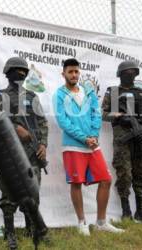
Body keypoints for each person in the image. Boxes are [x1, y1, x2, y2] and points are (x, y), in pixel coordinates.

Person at [52, 58, 124, 236]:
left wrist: (93, 135)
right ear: (64, 74)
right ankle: (82, 222)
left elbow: (96, 113)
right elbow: (63, 121)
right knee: (76, 184)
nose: (74, 75)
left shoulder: (88, 91)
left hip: (92, 145)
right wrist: (84, 138)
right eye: (70, 71)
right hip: (73, 146)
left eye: (76, 71)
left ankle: (101, 222)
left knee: (106, 180)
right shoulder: (59, 95)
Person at [0, 57, 48, 249]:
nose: (20, 74)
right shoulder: (0, 97)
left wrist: (43, 145)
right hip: (9, 154)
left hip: (32, 153)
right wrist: (14, 128)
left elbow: (42, 122)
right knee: (8, 196)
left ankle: (32, 230)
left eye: (23, 71)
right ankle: (10, 234)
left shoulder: (32, 97)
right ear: (7, 73)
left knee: (32, 194)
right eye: (16, 70)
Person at [102, 60, 142, 223]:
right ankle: (126, 210)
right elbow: (103, 114)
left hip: (140, 138)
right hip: (122, 140)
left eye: (133, 72)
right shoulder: (112, 92)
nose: (130, 75)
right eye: (127, 72)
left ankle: (141, 210)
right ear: (120, 75)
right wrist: (118, 116)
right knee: (124, 174)